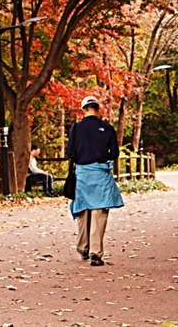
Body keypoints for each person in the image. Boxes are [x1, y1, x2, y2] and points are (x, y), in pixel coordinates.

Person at [66, 96, 123, 266]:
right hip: (100, 173)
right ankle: (95, 254)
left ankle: (83, 247)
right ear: (98, 109)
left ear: (83, 110)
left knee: (83, 209)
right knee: (99, 211)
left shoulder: (76, 128)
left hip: (83, 173)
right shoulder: (107, 128)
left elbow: (70, 152)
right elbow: (114, 153)